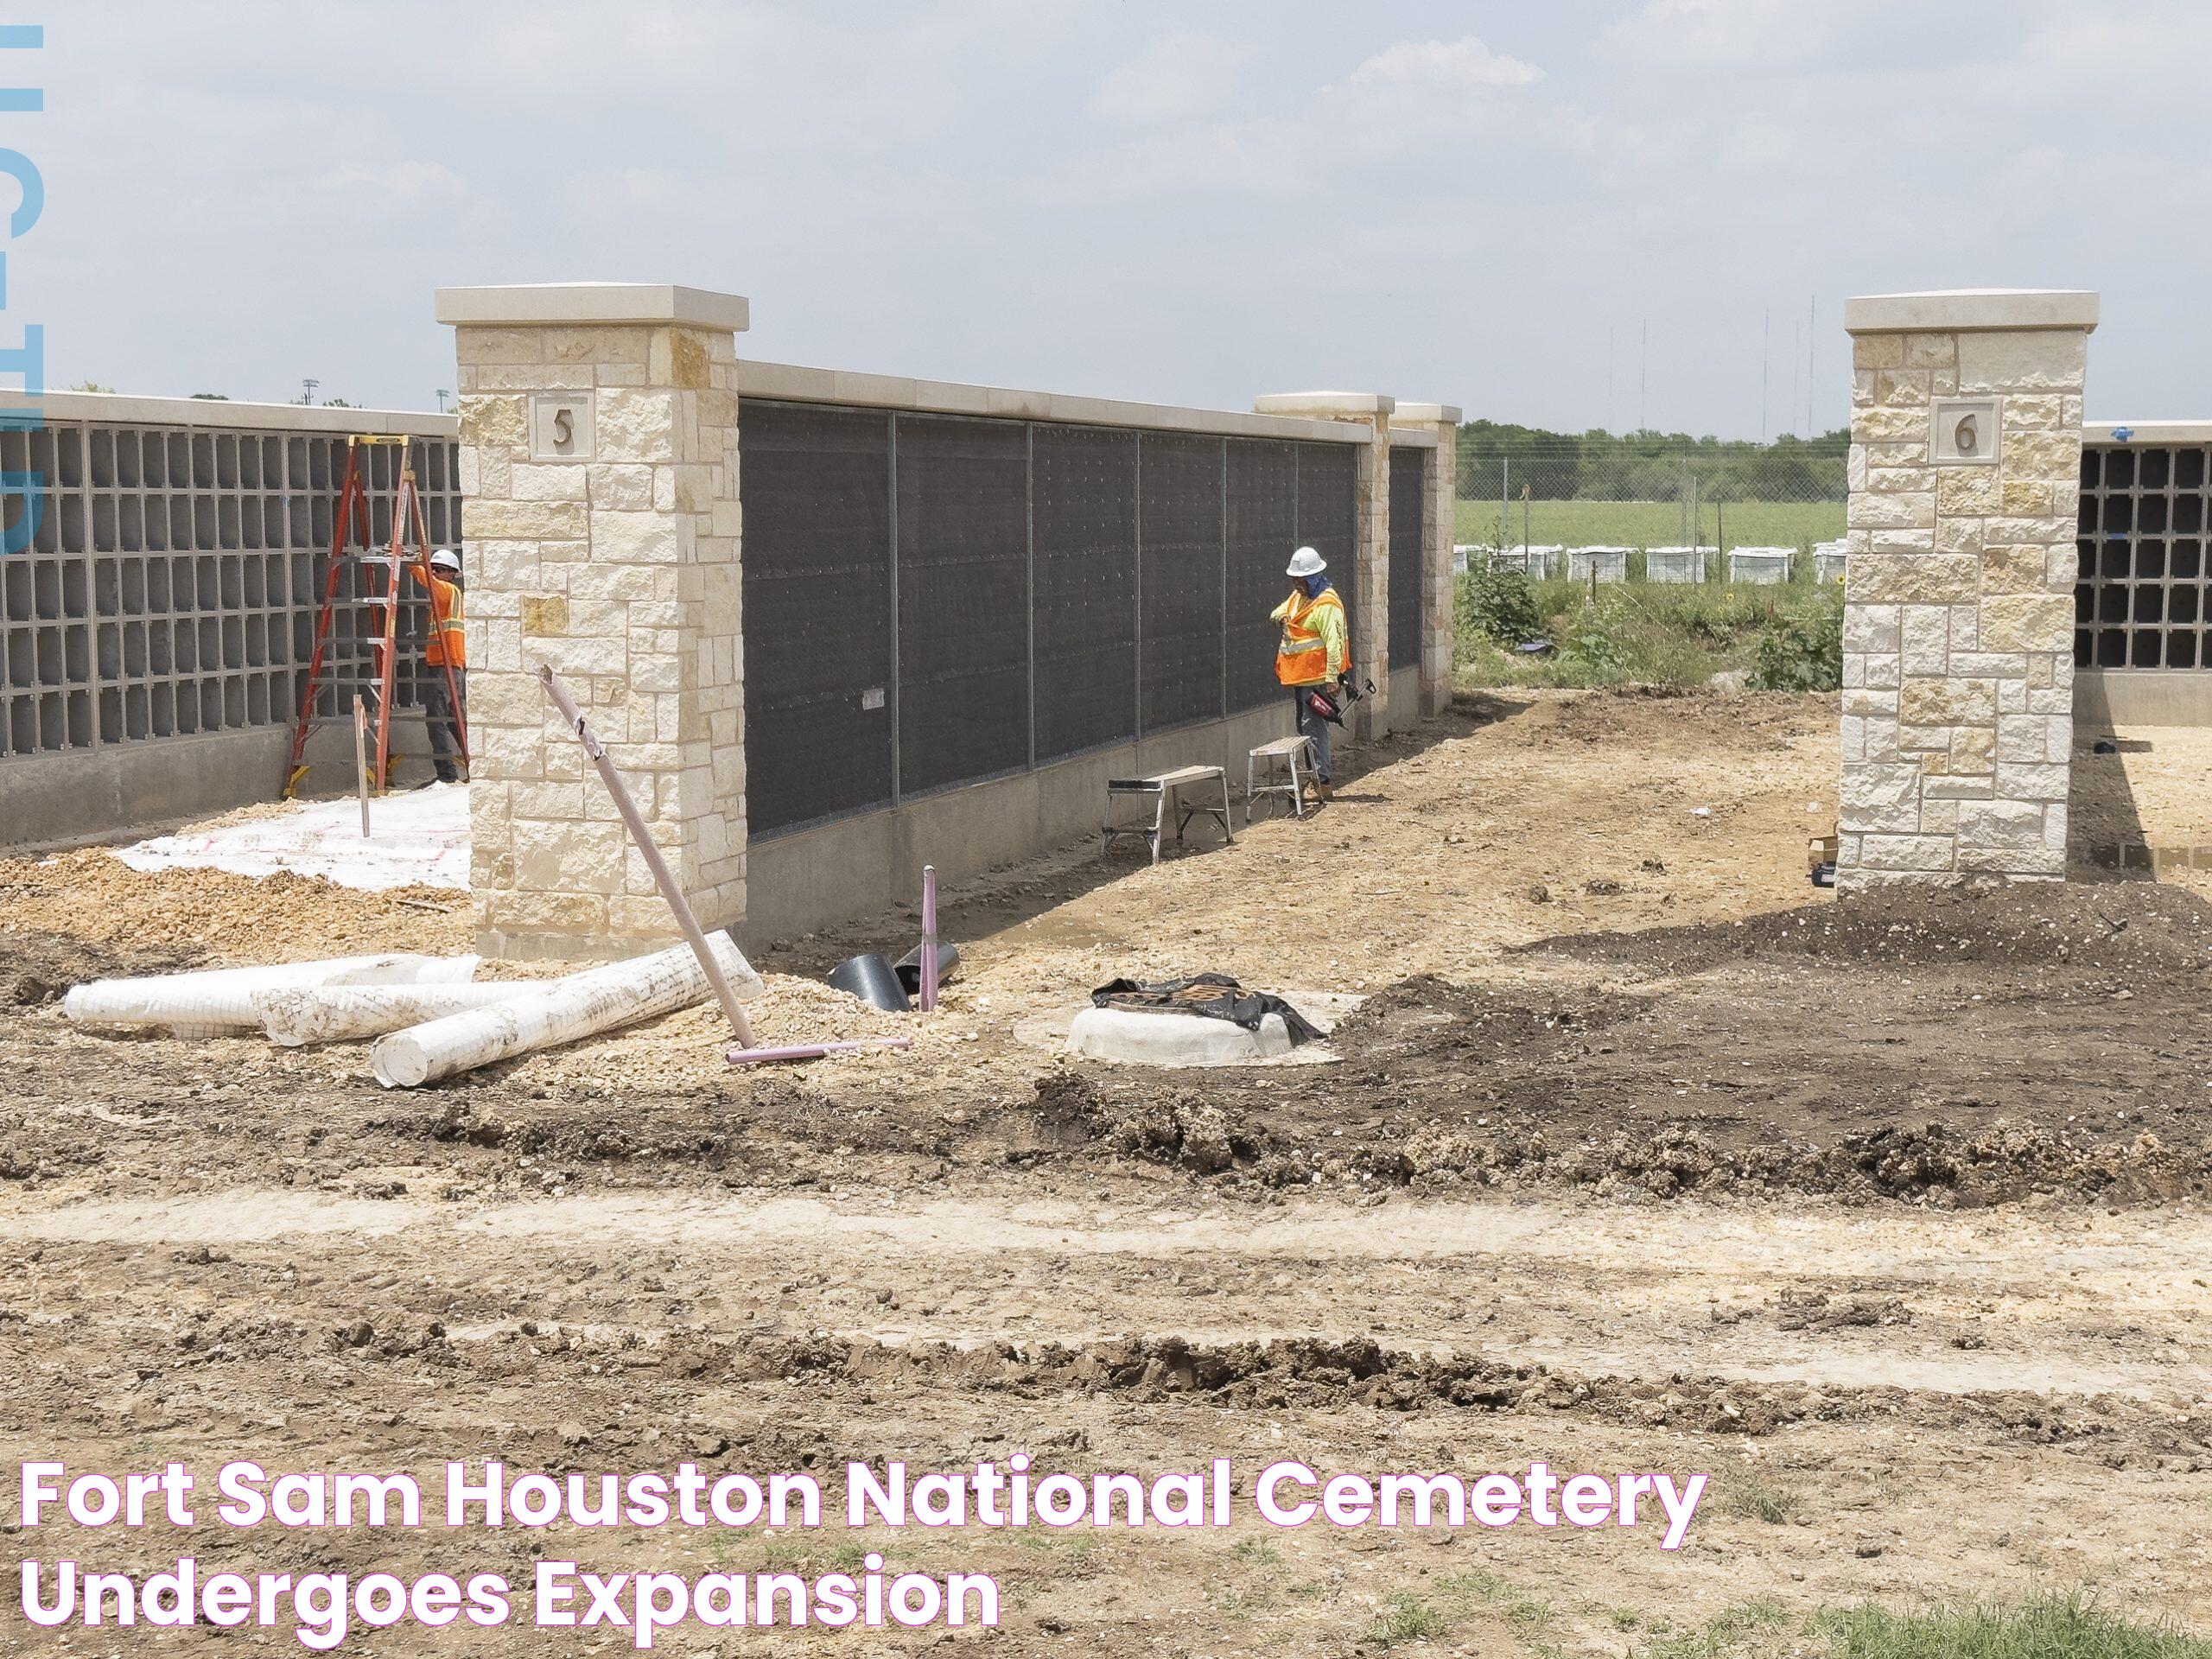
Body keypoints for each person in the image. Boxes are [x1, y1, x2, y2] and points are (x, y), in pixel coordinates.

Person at [1270, 545, 1349, 803]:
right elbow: (1277, 612)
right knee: (1305, 729)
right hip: (1300, 677)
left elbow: (1334, 644)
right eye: (1293, 579)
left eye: (1299, 579)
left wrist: (1331, 679)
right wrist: (1281, 617)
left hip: (1316, 679)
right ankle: (1315, 778)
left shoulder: (1327, 604)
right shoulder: (1299, 598)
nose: (1295, 583)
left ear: (1312, 577)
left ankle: (1321, 781)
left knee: (1314, 729)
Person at [411, 547, 467, 785]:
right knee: (456, 721)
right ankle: (478, 767)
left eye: (440, 569)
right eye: (433, 568)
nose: (434, 572)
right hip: (451, 665)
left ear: (452, 574)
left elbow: (428, 582)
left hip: (445, 665)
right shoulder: (447, 596)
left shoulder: (446, 591)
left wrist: (416, 565)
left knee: (436, 720)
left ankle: (446, 775)